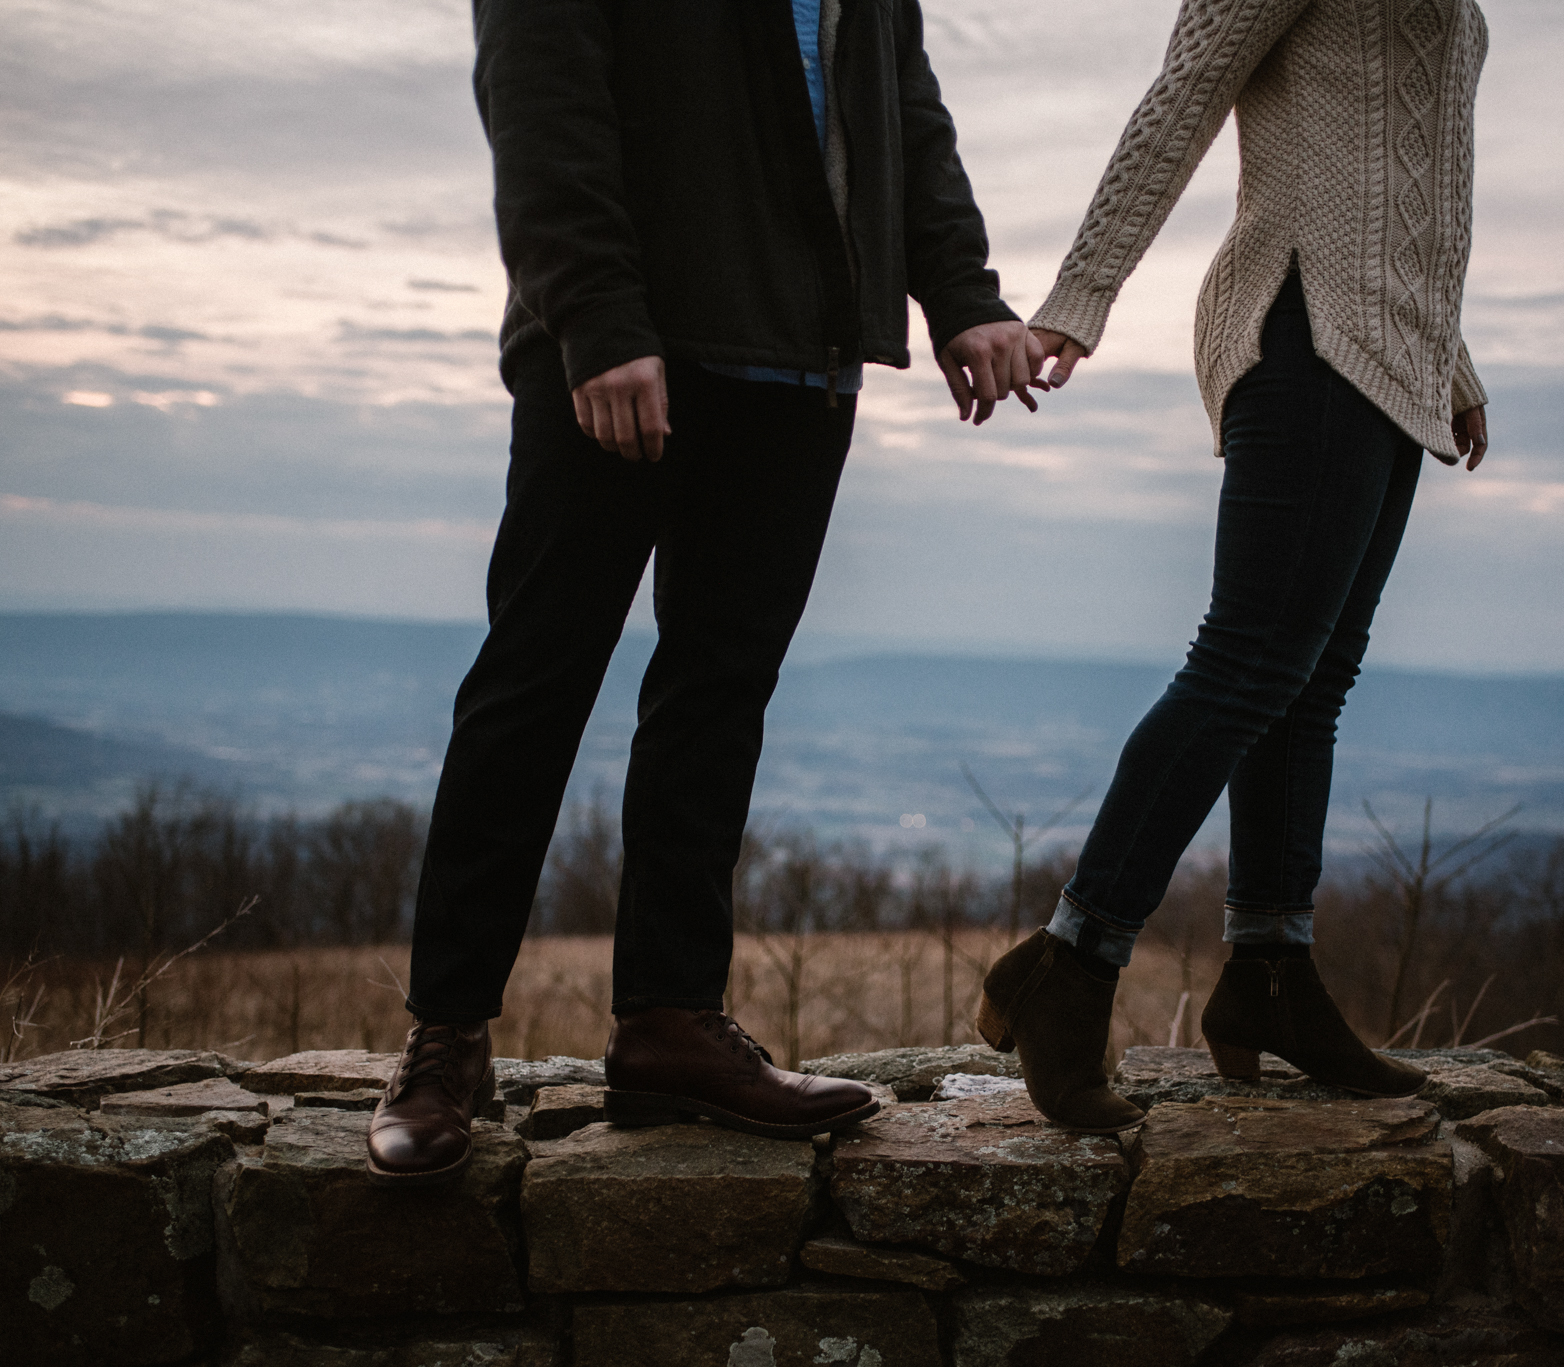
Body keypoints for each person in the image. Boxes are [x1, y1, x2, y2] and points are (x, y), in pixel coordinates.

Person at [365, 0, 1042, 1185]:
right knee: (536, 676)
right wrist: (594, 313)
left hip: (799, 353)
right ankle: (446, 1038)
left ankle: (668, 1023)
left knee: (717, 691)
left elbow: (902, 110)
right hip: (628, 344)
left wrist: (964, 293)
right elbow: (537, 90)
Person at [979, 0, 1492, 1131]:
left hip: (1392, 351)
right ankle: (1069, 957)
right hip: (1301, 331)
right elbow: (1181, 95)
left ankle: (1268, 967)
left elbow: (1400, 175)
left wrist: (1447, 360)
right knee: (1248, 662)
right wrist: (1082, 292)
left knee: (1307, 687)